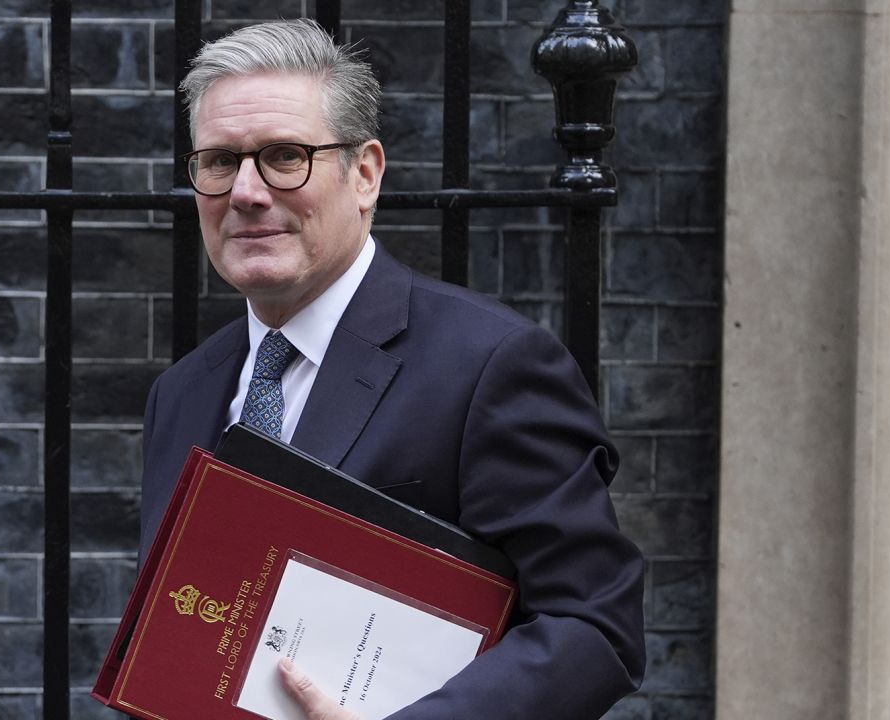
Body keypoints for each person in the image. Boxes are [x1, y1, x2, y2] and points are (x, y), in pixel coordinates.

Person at [138, 18, 645, 720]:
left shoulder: (489, 364)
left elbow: (595, 629)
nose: (247, 192)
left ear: (366, 173)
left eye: (285, 156)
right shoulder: (182, 393)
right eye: (220, 162)